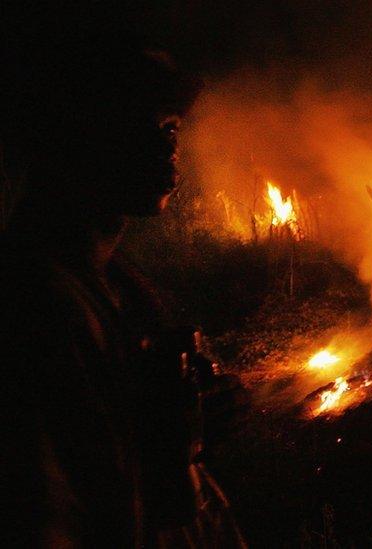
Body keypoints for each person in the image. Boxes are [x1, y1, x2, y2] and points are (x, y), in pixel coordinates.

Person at [1, 36, 244, 546]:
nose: (168, 147)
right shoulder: (35, 306)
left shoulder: (121, 291)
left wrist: (191, 430)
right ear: (74, 139)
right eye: (141, 127)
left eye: (171, 127)